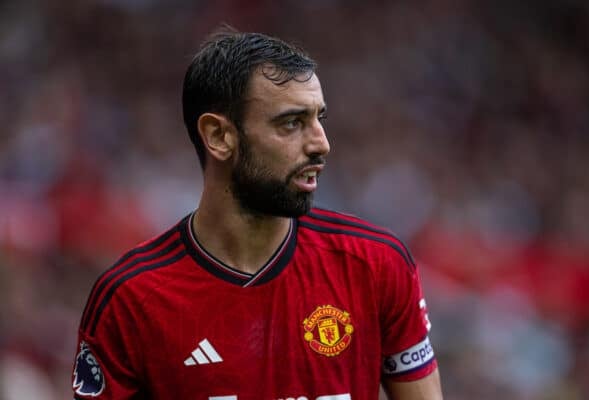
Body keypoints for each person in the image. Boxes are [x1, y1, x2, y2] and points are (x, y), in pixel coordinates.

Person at [71, 28, 443, 400]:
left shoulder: (376, 265)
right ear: (218, 136)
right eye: (292, 123)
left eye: (319, 119)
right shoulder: (131, 300)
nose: (321, 144)